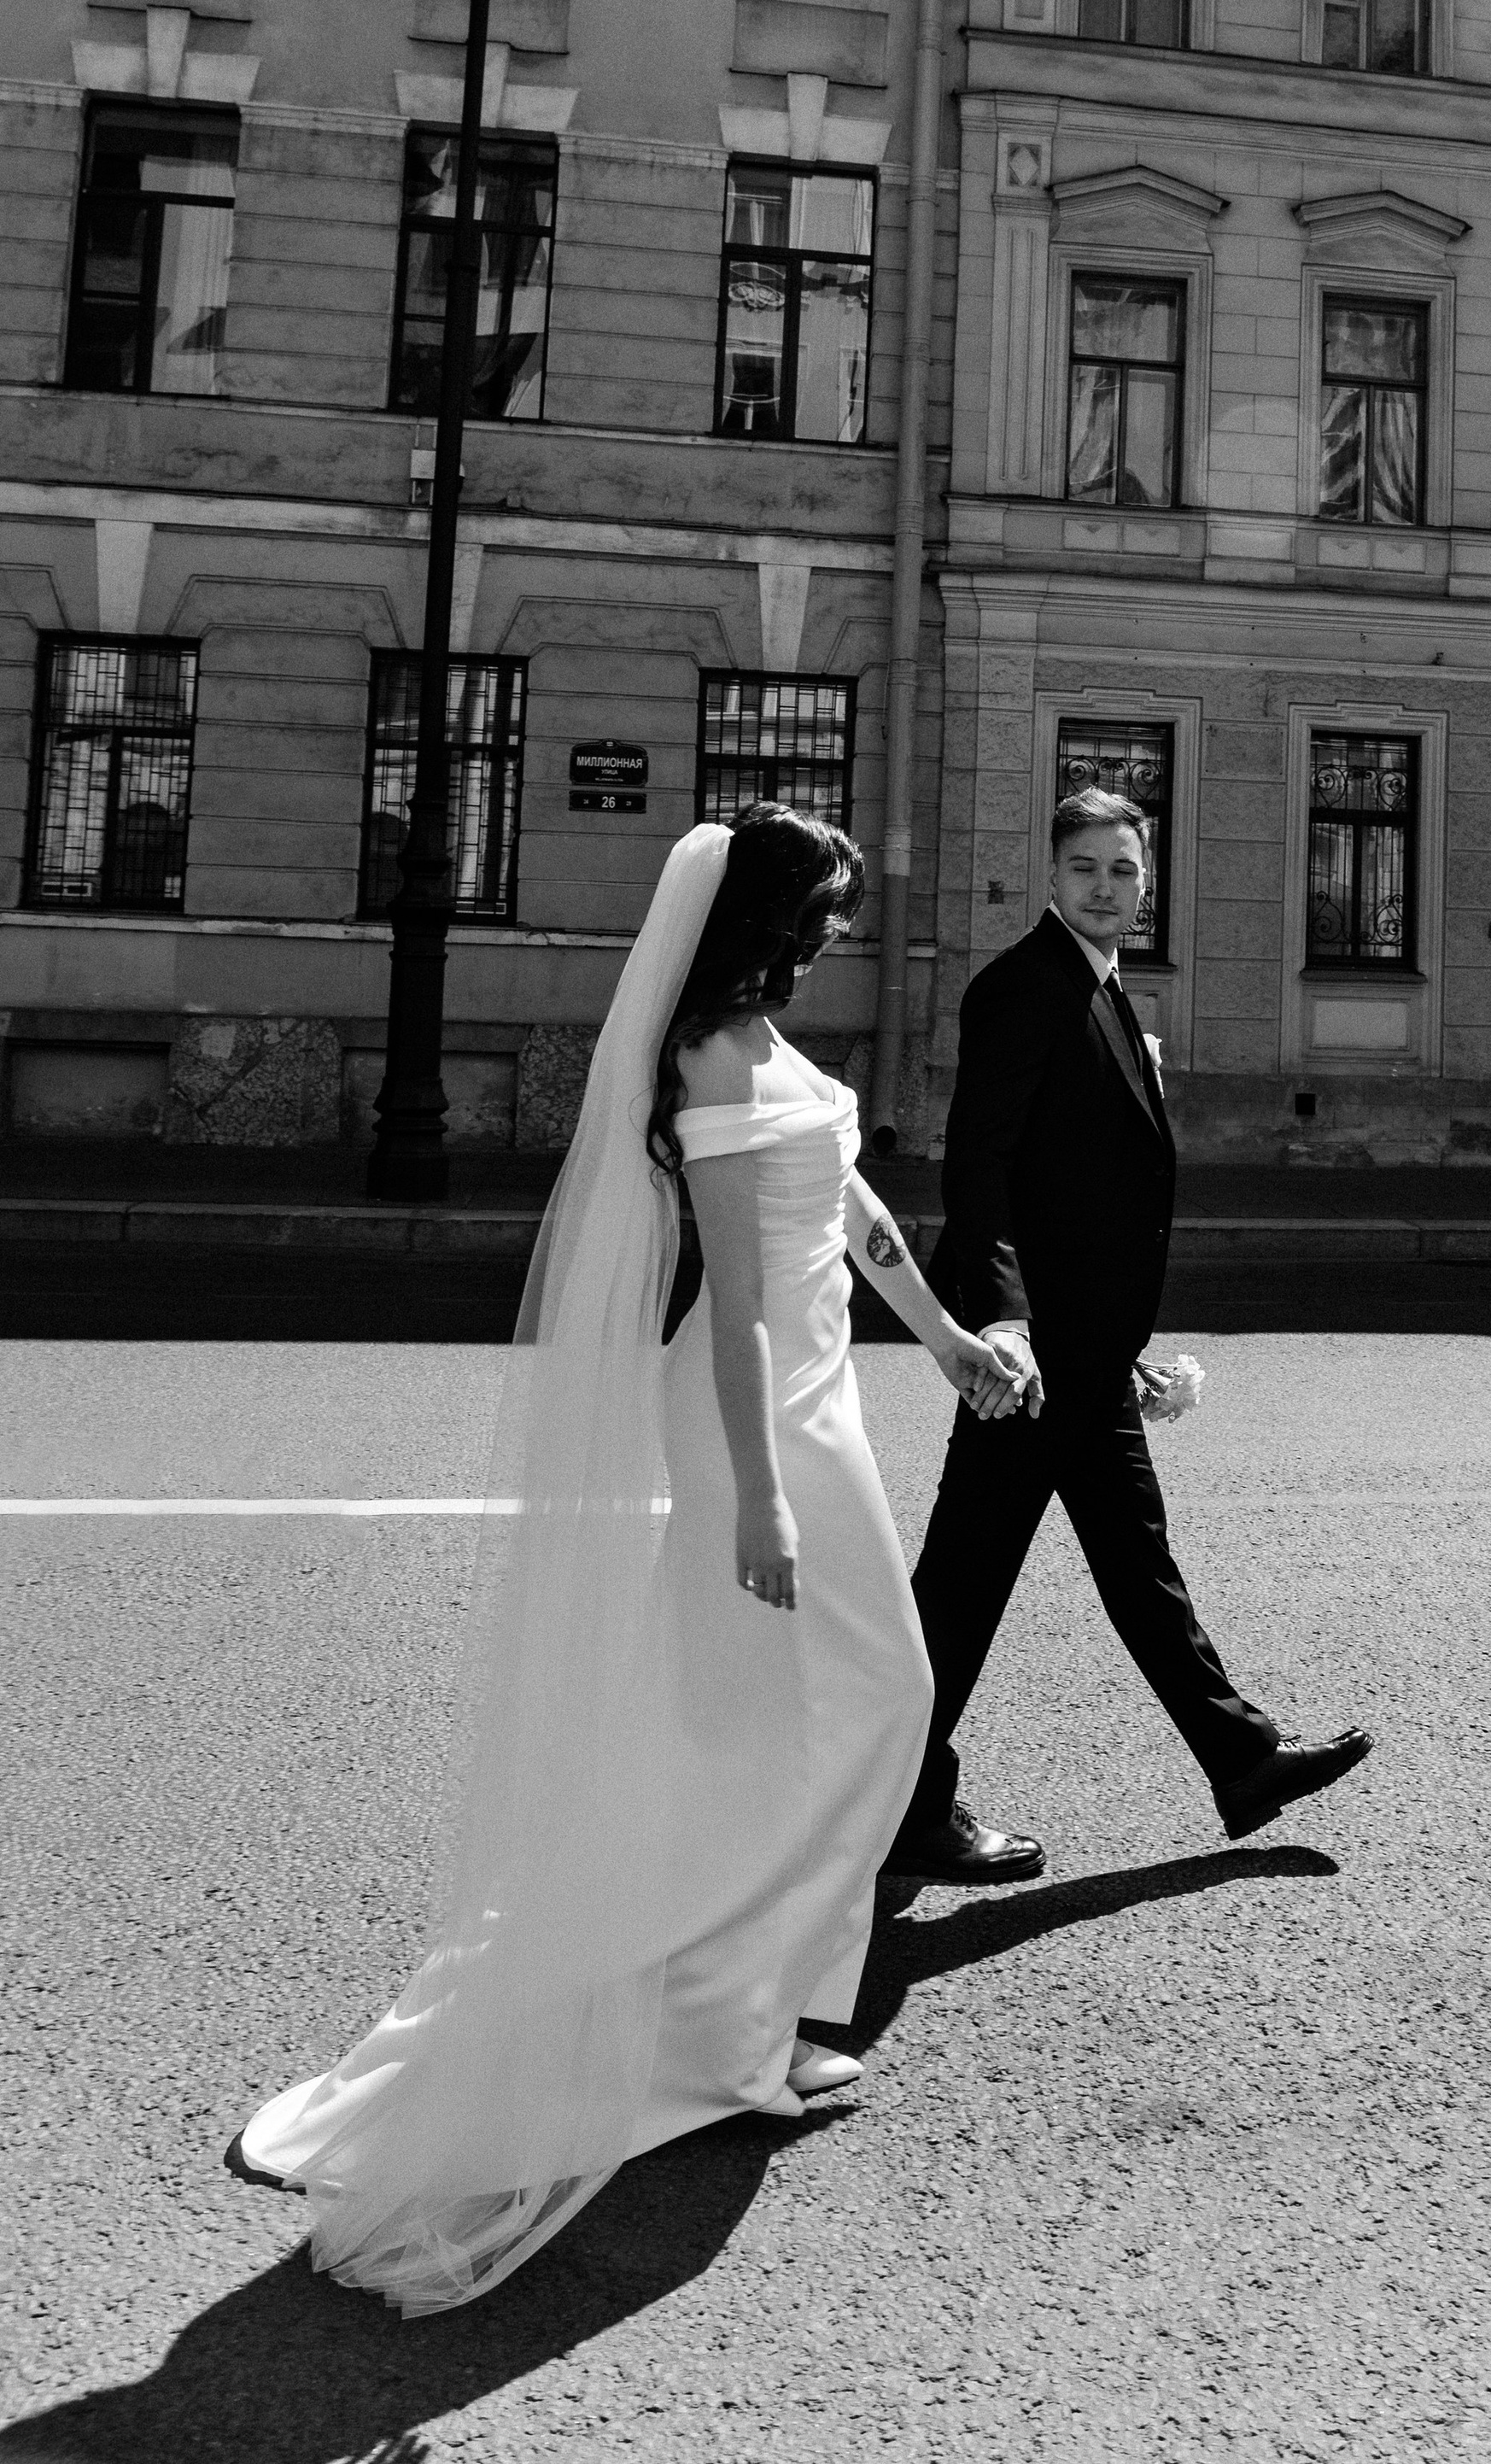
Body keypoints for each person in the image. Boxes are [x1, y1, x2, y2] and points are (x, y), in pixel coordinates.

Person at [226, 808, 1024, 2315]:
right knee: (852, 1703)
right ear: (773, 917)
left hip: (817, 1398)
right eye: (831, 907)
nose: (843, 929)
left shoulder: (770, 1044)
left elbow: (850, 1217)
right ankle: (729, 2033)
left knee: (825, 1711)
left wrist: (949, 1343)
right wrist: (760, 1504)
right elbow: (730, 1303)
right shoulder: (710, 1059)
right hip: (751, 1422)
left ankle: (750, 2003)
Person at [884, 787, 1372, 1887]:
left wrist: (1121, 1344)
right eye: (1086, 868)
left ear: (1146, 885)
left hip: (1088, 1354)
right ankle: (898, 1800)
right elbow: (980, 1171)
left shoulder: (1101, 988)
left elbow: (1090, 1190)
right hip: (1040, 1365)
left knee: (1136, 1568)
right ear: (1052, 877)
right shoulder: (1022, 989)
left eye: (1125, 870)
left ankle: (1241, 1760)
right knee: (963, 1586)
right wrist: (1003, 1320)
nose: (1107, 887)